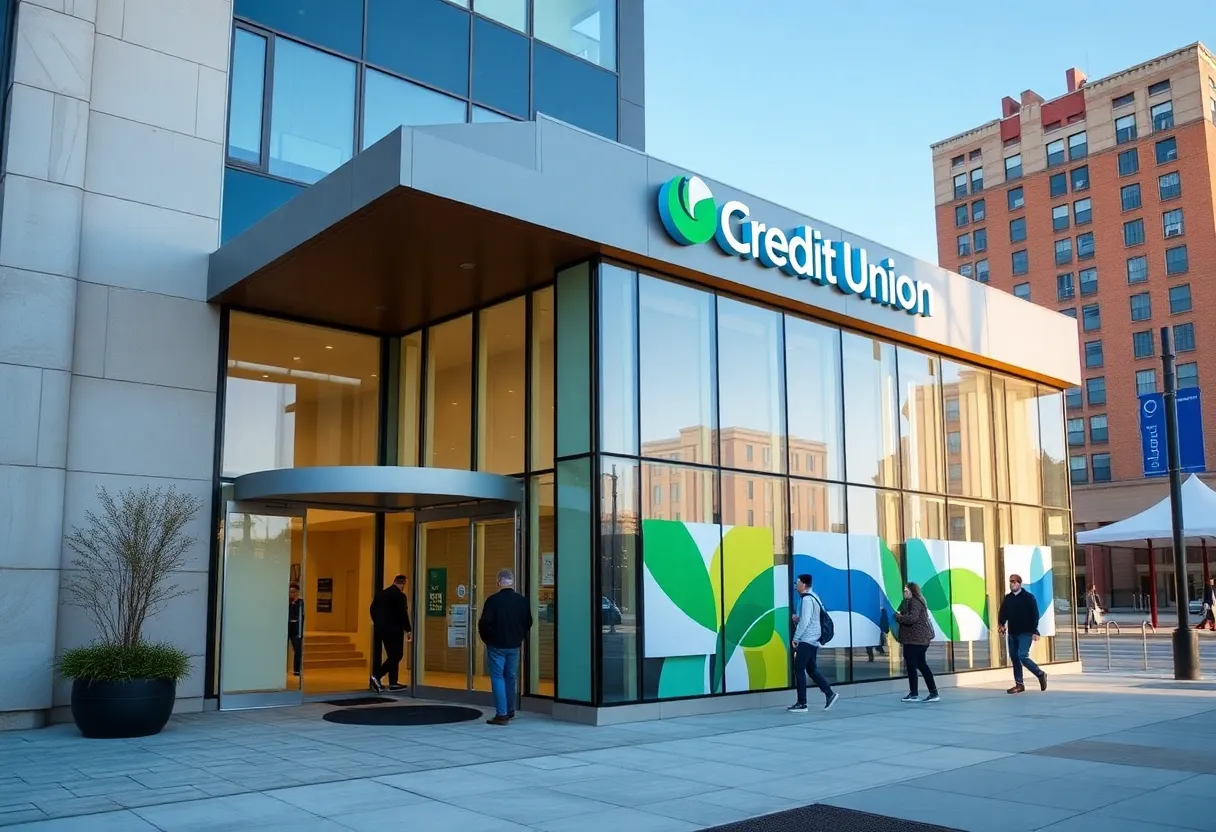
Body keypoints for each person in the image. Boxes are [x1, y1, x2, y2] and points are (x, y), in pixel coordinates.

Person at [478, 569, 533, 725]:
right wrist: (520, 636)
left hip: (496, 645)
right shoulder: (522, 601)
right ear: (512, 582)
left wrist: (487, 638)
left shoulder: (493, 600)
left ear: (498, 582)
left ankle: (501, 714)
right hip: (514, 645)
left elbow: (484, 622)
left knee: (497, 677)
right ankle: (510, 709)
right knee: (510, 677)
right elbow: (528, 622)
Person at [787, 574, 839, 713]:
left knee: (799, 670)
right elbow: (809, 619)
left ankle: (802, 703)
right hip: (813, 639)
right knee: (811, 670)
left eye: (797, 582)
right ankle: (829, 694)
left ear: (804, 585)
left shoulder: (808, 600)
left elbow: (806, 621)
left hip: (807, 639)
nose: (795, 585)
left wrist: (796, 638)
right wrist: (798, 618)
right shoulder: (813, 597)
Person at [998, 574, 1047, 694]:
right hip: (1013, 632)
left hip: (1026, 632)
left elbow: (1035, 615)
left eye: (1015, 582)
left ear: (1020, 583)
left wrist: (1035, 630)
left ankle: (1040, 674)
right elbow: (1002, 613)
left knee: (1022, 655)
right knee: (1014, 657)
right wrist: (1001, 624)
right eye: (1011, 582)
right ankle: (1019, 684)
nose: (1013, 584)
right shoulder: (1008, 598)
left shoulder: (1028, 597)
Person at [893, 582, 939, 703]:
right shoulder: (916, 601)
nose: (903, 593)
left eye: (905, 590)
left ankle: (915, 694)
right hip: (918, 640)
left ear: (911, 591)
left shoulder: (914, 602)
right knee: (921, 665)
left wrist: (898, 617)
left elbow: (912, 618)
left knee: (913, 666)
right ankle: (932, 692)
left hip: (915, 640)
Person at [369, 575, 412, 693]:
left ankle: (393, 683)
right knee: (397, 655)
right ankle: (377, 676)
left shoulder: (381, 594)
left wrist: (378, 622)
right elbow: (403, 614)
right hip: (394, 630)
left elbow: (372, 609)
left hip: (381, 630)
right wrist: (408, 629)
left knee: (392, 655)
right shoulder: (400, 596)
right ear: (402, 583)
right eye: (404, 584)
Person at [287, 583, 304, 677]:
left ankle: (297, 671)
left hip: (296, 630)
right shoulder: (287, 602)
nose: (291, 594)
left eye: (293, 592)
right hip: (287, 628)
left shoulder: (300, 602)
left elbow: (300, 616)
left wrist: (295, 603)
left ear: (297, 592)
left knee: (298, 650)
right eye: (290, 592)